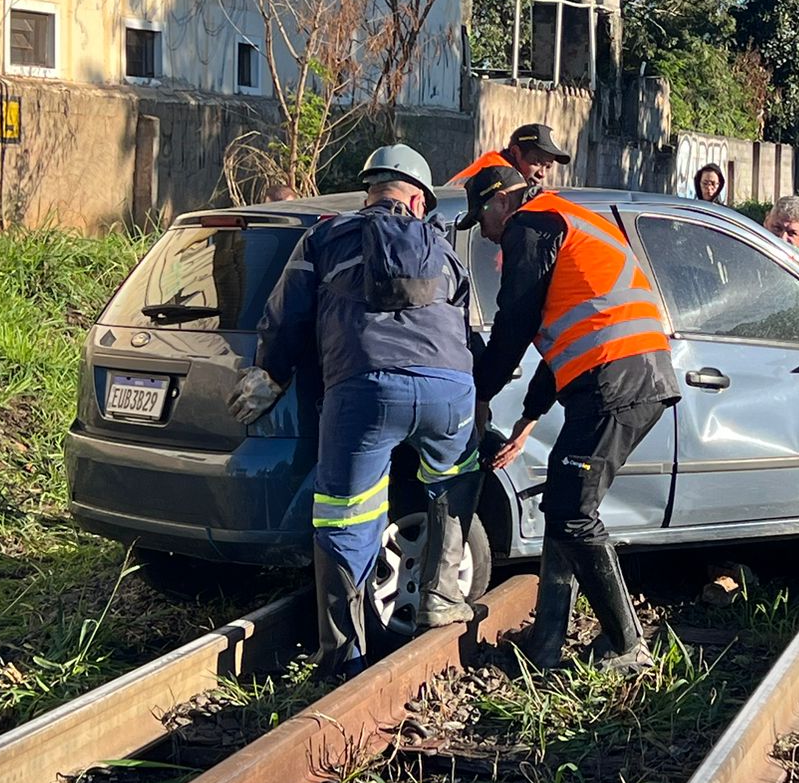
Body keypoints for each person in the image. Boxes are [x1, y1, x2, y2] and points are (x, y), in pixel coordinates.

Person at [227, 144, 481, 680]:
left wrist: (271, 372)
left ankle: (343, 659)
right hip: (448, 390)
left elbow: (286, 315)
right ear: (417, 199)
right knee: (454, 481)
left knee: (344, 518)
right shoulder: (442, 246)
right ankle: (440, 596)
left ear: (372, 191)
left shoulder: (322, 237)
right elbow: (464, 321)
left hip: (364, 390)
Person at [458, 163, 680, 674]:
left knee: (574, 510)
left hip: (617, 380)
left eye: (482, 219)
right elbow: (563, 338)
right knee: (565, 495)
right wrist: (530, 415)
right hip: (626, 374)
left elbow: (516, 321)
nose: (488, 235)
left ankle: (626, 646)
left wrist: (480, 391)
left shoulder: (530, 224)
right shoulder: (570, 218)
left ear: (500, 201)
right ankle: (547, 646)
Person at [449, 122, 572, 191]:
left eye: (548, 167)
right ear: (515, 152)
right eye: (537, 162)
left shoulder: (496, 163)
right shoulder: (499, 176)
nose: (542, 173)